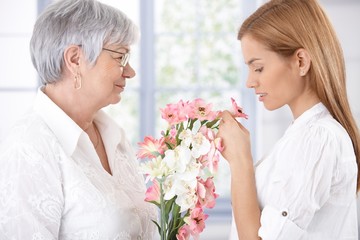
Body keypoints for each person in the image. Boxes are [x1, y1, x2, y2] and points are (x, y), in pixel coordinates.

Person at [0, 0, 157, 239]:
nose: (130, 71)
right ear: (74, 59)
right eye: (121, 57)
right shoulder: (29, 146)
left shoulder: (115, 136)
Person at [217, 0, 360, 239]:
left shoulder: (318, 138)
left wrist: (240, 160)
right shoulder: (300, 135)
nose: (249, 82)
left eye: (258, 68)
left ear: (301, 62)